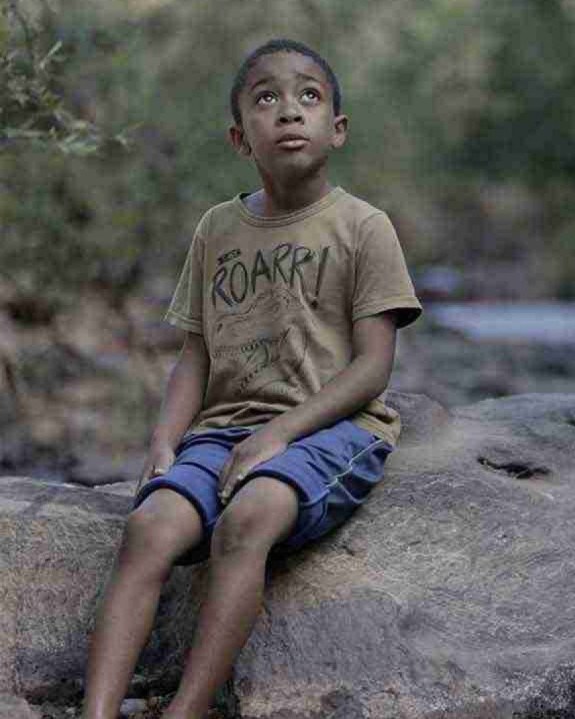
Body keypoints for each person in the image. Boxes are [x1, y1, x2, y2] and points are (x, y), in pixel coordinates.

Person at [81, 38, 422, 719]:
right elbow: (195, 356)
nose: (289, 111)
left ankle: (186, 710)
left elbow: (373, 366)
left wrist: (280, 434)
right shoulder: (217, 228)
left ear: (338, 128)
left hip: (330, 428)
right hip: (222, 432)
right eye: (266, 99)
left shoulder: (363, 226)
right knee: (150, 525)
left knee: (249, 517)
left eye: (309, 96)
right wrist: (164, 441)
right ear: (241, 138)